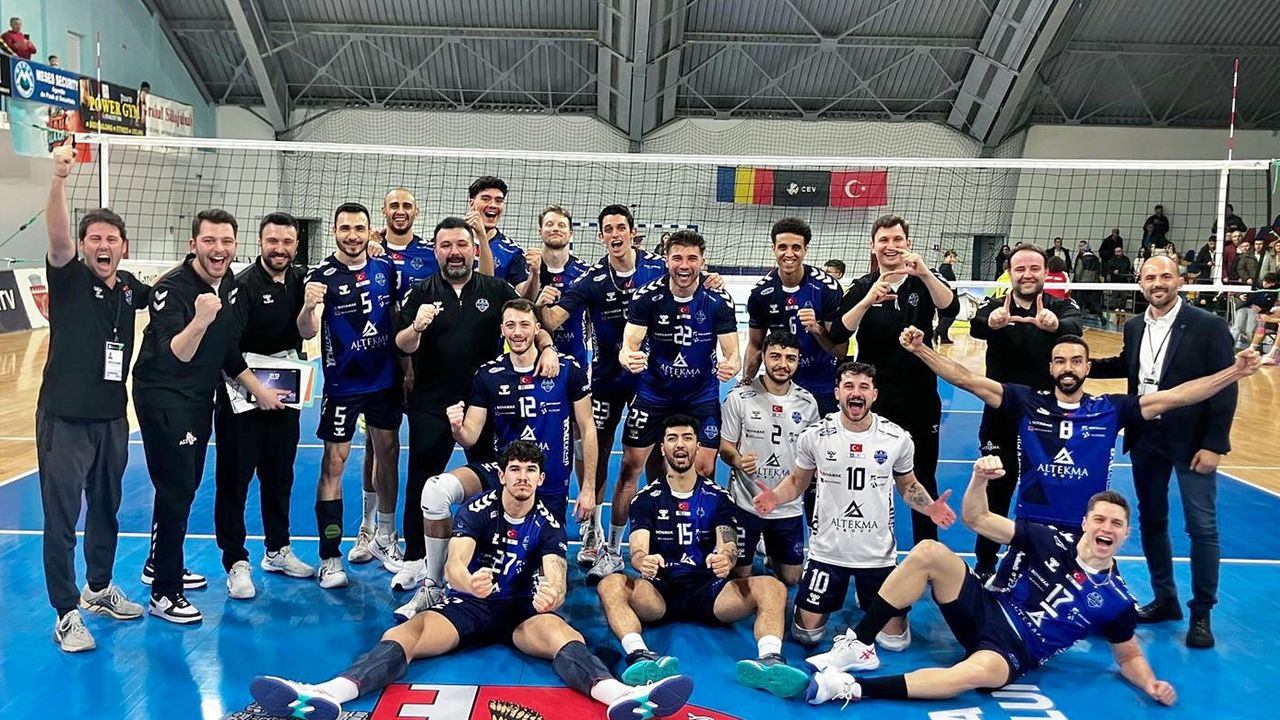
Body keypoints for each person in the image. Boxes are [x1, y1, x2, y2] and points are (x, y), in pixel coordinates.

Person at [249, 442, 695, 720]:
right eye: (514, 470)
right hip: (471, 606)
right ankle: (329, 693)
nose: (522, 478)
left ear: (541, 478)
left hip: (521, 612)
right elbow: (455, 564)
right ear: (502, 475)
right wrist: (466, 581)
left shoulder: (548, 523)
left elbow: (556, 572)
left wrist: (552, 594)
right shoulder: (477, 510)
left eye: (530, 471)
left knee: (566, 635)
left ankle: (621, 696)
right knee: (407, 633)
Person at [804, 456, 1178, 709]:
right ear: (1085, 523)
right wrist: (979, 479)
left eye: (1116, 524)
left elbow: (1129, 656)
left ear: (1126, 533)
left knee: (978, 673)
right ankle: (861, 645)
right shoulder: (1049, 539)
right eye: (1099, 519)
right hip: (987, 608)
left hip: (1013, 650)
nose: (1106, 528)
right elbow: (978, 519)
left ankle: (850, 688)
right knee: (930, 551)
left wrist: (1150, 684)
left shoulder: (1116, 599)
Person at [902, 326, 1257, 535]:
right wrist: (920, 349)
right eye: (1060, 361)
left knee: (1111, 620)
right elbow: (965, 379)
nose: (1068, 368)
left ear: (1088, 367)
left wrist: (1235, 372)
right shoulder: (1026, 401)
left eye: (1076, 361)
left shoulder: (1112, 409)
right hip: (1032, 527)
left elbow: (1178, 396)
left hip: (1088, 531)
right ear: (1051, 368)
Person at [133, 209, 289, 623]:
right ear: (193, 245)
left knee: (183, 483)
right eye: (209, 241)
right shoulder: (171, 289)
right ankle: (165, 591)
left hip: (200, 397)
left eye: (226, 241)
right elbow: (177, 354)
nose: (218, 249)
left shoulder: (230, 284)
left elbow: (226, 350)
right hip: (164, 397)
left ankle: (159, 562)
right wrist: (201, 319)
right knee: (177, 488)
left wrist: (258, 390)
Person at [397, 298, 596, 619]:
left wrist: (588, 489)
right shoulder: (489, 375)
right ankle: (433, 584)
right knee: (434, 491)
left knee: (541, 595)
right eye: (511, 325)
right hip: (502, 475)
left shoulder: (566, 370)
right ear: (502, 329)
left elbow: (587, 428)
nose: (518, 332)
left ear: (537, 328)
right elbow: (471, 436)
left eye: (525, 324)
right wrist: (457, 427)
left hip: (547, 486)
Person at [393, 217, 561, 595]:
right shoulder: (421, 292)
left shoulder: (495, 288)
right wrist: (416, 327)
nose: (454, 252)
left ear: (474, 248)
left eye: (461, 245)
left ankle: (488, 553)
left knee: (491, 481)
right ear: (435, 250)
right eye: (446, 245)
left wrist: (548, 347)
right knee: (422, 480)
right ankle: (415, 558)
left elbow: (528, 320)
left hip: (486, 403)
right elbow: (401, 344)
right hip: (432, 404)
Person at [750, 361, 956, 663]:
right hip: (827, 553)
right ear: (837, 393)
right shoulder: (815, 435)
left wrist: (930, 507)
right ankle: (846, 598)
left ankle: (866, 593)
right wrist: (775, 497)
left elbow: (908, 485)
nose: (856, 393)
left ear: (874, 394)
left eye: (863, 387)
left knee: (896, 642)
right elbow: (796, 481)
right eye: (849, 386)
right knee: (806, 636)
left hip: (877, 556)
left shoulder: (896, 438)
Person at [1089, 255, 1244, 648]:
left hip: (1192, 441)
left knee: (1201, 527)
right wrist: (1080, 364)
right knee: (1152, 520)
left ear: (1180, 280)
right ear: (1140, 282)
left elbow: (1225, 385)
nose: (1157, 283)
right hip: (1146, 436)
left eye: (1165, 276)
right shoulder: (1135, 325)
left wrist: (1214, 444)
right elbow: (1130, 365)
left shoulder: (1208, 325)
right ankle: (1165, 599)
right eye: (1150, 277)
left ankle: (1202, 613)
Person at [597, 416, 809, 699]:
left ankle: (770, 659)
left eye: (687, 438)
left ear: (698, 446)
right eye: (672, 438)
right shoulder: (646, 499)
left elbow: (728, 544)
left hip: (711, 592)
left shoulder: (718, 498)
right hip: (660, 591)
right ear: (662, 447)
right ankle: (639, 655)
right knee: (610, 584)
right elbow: (638, 548)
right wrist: (642, 560)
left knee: (772, 586)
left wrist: (726, 559)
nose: (680, 445)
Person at [38, 144, 150, 651]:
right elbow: (57, 236)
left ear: (124, 247)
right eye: (95, 239)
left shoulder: (128, 288)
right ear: (83, 246)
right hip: (65, 419)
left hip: (111, 420)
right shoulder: (68, 278)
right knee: (62, 520)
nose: (103, 246)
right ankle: (66, 612)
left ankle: (98, 589)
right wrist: (59, 179)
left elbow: (169, 293)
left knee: (106, 508)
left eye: (111, 239)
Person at [596, 230, 740, 581]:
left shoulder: (718, 301)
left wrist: (732, 364)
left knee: (702, 470)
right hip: (655, 393)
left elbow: (732, 351)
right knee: (630, 467)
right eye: (677, 258)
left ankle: (701, 550)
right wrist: (628, 357)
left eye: (692, 258)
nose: (684, 265)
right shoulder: (648, 297)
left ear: (702, 261)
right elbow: (629, 344)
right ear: (666, 260)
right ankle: (612, 551)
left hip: (699, 395)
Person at [536, 205, 668, 566]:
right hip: (608, 380)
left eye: (620, 227)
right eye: (608, 229)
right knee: (595, 454)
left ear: (632, 232)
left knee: (654, 459)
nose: (615, 234)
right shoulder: (592, 279)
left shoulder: (657, 268)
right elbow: (552, 320)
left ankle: (656, 528)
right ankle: (593, 530)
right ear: (600, 237)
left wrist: (711, 279)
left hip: (651, 381)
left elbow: (691, 279)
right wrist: (541, 305)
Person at [828, 214, 959, 544]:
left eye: (897, 239)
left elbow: (950, 309)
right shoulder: (863, 286)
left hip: (920, 397)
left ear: (908, 243)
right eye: (883, 240)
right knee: (869, 478)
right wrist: (868, 300)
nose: (891, 246)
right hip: (876, 400)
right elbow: (839, 332)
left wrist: (925, 272)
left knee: (923, 476)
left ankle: (927, 550)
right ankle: (866, 548)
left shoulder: (924, 281)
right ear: (872, 246)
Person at [298, 203, 402, 589]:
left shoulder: (385, 268)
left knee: (388, 454)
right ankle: (330, 556)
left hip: (384, 381)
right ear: (335, 231)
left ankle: (385, 536)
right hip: (343, 386)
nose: (352, 236)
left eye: (359, 228)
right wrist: (309, 305)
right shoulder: (320, 275)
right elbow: (307, 331)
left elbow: (395, 316)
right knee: (334, 465)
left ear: (370, 231)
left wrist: (406, 370)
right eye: (345, 228)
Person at [966, 245, 1082, 579]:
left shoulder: (1060, 305)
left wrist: (1055, 325)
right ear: (1010, 273)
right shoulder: (996, 306)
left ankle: (1046, 561)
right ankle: (985, 563)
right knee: (997, 487)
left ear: (1045, 273)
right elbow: (976, 325)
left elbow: (1074, 326)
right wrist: (992, 322)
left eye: (1034, 268)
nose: (1027, 275)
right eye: (1020, 269)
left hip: (1046, 417)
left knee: (1046, 489)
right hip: (1000, 414)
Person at [214, 212, 315, 600]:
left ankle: (277, 550)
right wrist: (259, 391)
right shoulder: (241, 286)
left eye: (287, 242)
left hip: (284, 398)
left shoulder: (300, 281)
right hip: (241, 399)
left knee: (279, 477)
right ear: (260, 243)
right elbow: (226, 350)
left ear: (296, 245)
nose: (280, 248)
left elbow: (307, 330)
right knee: (234, 482)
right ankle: (236, 562)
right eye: (273, 241)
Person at [347, 188, 433, 571]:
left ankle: (392, 532)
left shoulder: (429, 254)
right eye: (393, 205)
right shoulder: (367, 252)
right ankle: (370, 528)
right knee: (376, 447)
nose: (400, 211)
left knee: (407, 449)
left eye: (406, 206)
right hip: (377, 365)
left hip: (422, 363)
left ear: (417, 212)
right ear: (383, 211)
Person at [719, 331, 821, 585]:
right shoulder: (739, 397)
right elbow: (725, 447)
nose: (782, 364)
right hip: (746, 504)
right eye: (775, 356)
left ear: (798, 361)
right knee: (739, 577)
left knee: (792, 578)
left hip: (786, 506)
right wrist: (738, 460)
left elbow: (813, 454)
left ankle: (770, 546)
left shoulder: (807, 403)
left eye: (790, 358)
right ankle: (759, 542)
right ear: (763, 356)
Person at [743, 217, 845, 416]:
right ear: (773, 248)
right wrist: (747, 381)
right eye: (782, 247)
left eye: (796, 247)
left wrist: (817, 329)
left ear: (806, 249)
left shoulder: (827, 288)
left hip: (821, 384)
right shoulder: (760, 293)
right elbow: (755, 345)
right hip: (779, 385)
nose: (789, 254)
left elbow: (840, 351)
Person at [466, 176, 535, 296]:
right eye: (486, 199)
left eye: (499, 201)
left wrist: (535, 273)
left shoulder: (512, 251)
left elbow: (523, 296)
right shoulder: (449, 242)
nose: (493, 205)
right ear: (472, 204)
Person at [935, 250, 958, 344]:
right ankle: (936, 332)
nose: (954, 259)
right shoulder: (945, 269)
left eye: (954, 257)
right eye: (951, 257)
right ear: (946, 257)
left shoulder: (946, 268)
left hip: (945, 296)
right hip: (947, 297)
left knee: (943, 317)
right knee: (950, 316)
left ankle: (944, 337)